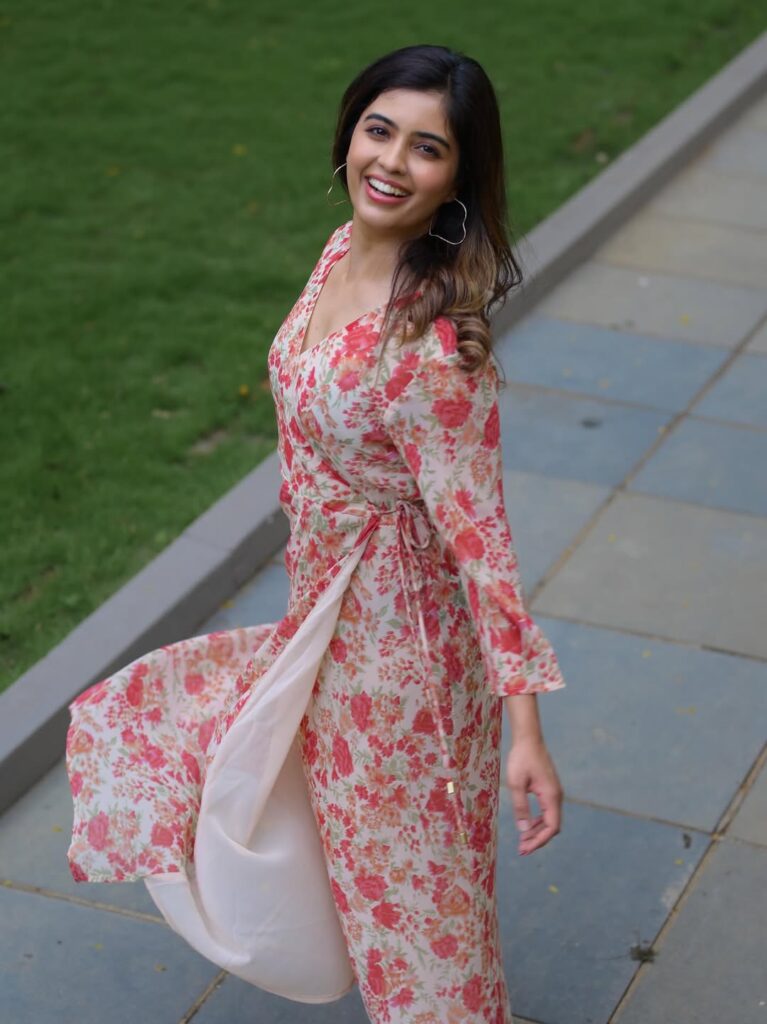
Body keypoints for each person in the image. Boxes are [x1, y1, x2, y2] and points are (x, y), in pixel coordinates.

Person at [66, 43, 566, 1024]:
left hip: (403, 666)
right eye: (379, 130)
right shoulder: (341, 250)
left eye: (427, 148)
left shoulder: (430, 351)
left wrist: (525, 731)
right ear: (348, 132)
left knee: (419, 911)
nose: (391, 162)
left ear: (457, 178)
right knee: (356, 878)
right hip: (328, 621)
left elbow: (481, 540)